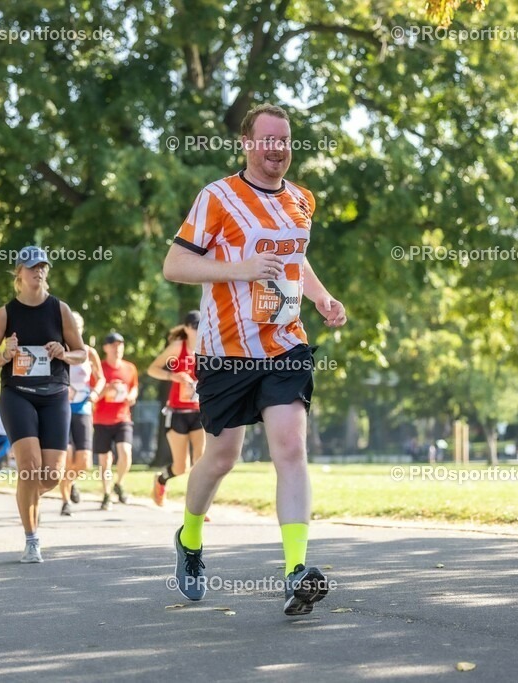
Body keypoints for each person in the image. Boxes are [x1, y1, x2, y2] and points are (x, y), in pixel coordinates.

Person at [162, 103, 348, 616]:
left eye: (284, 140)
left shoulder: (301, 201)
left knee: (290, 447)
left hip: (284, 344)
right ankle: (191, 539)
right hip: (227, 351)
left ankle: (295, 572)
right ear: (247, 144)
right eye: (267, 140)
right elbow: (174, 264)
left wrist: (321, 297)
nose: (277, 149)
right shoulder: (218, 197)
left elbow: (295, 257)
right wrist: (240, 267)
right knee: (221, 458)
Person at [0, 246, 86, 562]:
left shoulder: (60, 310)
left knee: (51, 476)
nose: (37, 271)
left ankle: (24, 499)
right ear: (18, 274)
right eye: (31, 266)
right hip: (18, 394)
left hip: (54, 395)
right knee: (29, 468)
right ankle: (32, 539)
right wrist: (5, 355)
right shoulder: (5, 313)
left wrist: (63, 353)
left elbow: (82, 352)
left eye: (42, 266)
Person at [147, 311, 205, 507]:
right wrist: (174, 376)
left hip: (200, 411)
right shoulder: (177, 348)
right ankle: (161, 479)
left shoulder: (208, 347)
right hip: (177, 413)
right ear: (187, 328)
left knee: (201, 461)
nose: (200, 331)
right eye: (196, 327)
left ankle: (198, 506)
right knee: (181, 467)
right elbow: (152, 369)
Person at [60, 311, 105, 516]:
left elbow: (101, 378)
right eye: (71, 326)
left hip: (83, 407)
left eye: (78, 326)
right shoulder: (60, 352)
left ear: (82, 329)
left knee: (84, 461)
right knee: (67, 456)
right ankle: (65, 500)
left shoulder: (89, 352)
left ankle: (70, 481)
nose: (74, 330)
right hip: (61, 408)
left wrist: (95, 392)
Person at [93, 332, 138, 510]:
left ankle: (119, 483)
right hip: (102, 420)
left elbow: (134, 388)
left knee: (125, 452)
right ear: (105, 348)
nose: (117, 348)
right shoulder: (99, 369)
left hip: (122, 418)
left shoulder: (130, 368)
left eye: (120, 345)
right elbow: (93, 396)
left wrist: (130, 396)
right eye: (113, 345)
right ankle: (106, 494)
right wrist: (107, 388)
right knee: (105, 461)